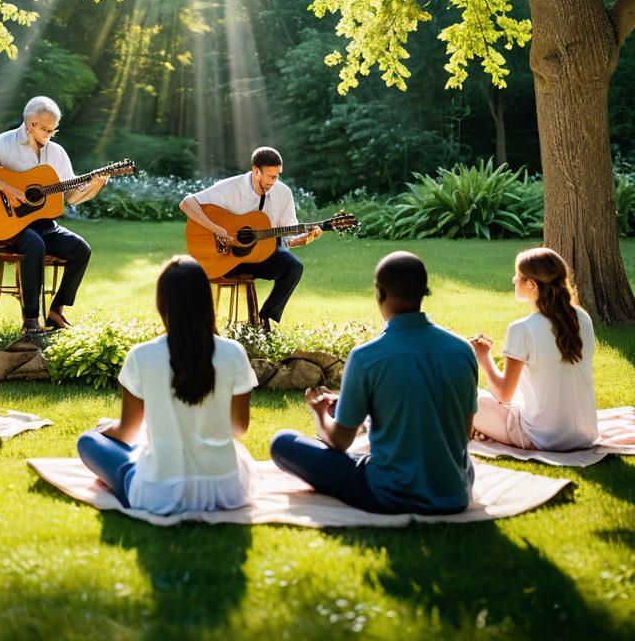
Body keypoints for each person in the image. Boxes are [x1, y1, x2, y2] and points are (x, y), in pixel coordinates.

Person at [271, 252, 477, 514]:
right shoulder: (463, 350)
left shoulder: (366, 357)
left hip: (389, 493)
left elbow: (340, 442)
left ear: (379, 294)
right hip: (453, 491)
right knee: (462, 461)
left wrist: (321, 415)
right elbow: (464, 433)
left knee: (283, 443)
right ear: (423, 293)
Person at [76, 255, 258, 515]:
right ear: (206, 301)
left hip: (160, 493)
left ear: (163, 304)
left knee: (88, 441)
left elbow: (127, 432)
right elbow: (238, 428)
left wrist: (104, 430)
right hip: (224, 488)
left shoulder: (141, 355)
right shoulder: (234, 353)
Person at [0, 96, 107, 333]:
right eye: (47, 129)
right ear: (31, 125)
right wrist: (7, 188)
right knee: (34, 245)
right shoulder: (5, 143)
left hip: (43, 224)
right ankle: (30, 320)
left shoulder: (56, 153)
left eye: (54, 129)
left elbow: (70, 196)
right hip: (9, 226)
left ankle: (56, 310)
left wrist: (94, 185)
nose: (51, 134)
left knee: (81, 249)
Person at [179, 146, 321, 330]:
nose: (274, 181)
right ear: (256, 171)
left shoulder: (283, 193)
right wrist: (216, 228)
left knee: (293, 268)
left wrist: (303, 239)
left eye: (277, 176)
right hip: (225, 259)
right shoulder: (231, 187)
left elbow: (287, 237)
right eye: (270, 176)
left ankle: (263, 321)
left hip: (260, 256)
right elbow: (187, 203)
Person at [469, 247, 597, 451]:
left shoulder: (522, 329)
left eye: (517, 276)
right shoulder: (583, 318)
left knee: (466, 396)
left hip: (543, 437)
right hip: (584, 434)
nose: (513, 280)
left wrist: (484, 358)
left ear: (531, 284)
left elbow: (503, 394)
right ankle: (480, 428)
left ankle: (477, 428)